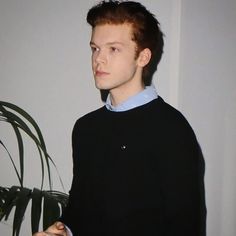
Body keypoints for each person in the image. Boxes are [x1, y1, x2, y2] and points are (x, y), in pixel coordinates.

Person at [33, 1, 206, 236]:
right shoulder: (86, 127)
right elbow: (82, 209)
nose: (98, 60)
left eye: (113, 49)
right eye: (95, 48)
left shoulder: (171, 129)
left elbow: (185, 227)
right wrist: (65, 230)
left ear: (143, 57)